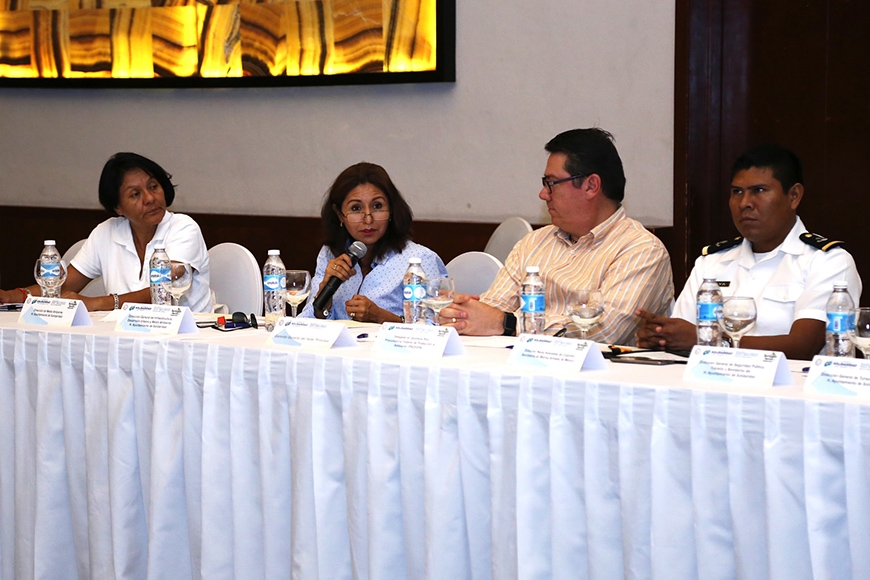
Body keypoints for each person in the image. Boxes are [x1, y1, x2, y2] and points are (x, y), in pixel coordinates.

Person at [440, 128, 674, 344]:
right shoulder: (533, 243)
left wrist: (509, 323)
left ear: (591, 186)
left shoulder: (641, 250)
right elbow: (493, 309)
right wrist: (464, 313)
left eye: (551, 183)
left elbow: (604, 332)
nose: (543, 194)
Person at [635, 143, 861, 359]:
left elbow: (803, 347)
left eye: (759, 190)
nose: (744, 203)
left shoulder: (829, 262)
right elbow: (682, 332)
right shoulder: (712, 262)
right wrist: (660, 335)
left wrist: (711, 341)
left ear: (794, 196)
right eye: (737, 192)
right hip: (709, 380)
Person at [0, 152, 212, 312]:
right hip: (127, 335)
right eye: (135, 194)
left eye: (154, 187)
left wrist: (97, 303)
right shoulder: (106, 232)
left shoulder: (183, 228)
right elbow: (62, 285)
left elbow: (163, 292)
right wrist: (15, 296)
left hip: (188, 337)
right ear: (118, 207)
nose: (149, 198)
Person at [300, 162, 447, 322]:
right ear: (340, 215)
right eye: (356, 208)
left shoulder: (420, 260)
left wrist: (382, 317)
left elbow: (437, 326)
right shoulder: (330, 254)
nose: (368, 219)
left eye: (377, 206)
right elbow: (306, 322)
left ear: (391, 210)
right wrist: (324, 292)